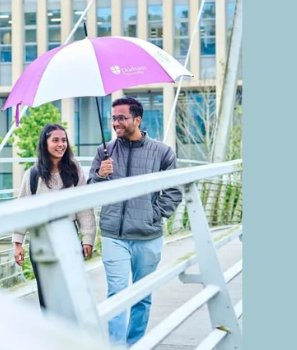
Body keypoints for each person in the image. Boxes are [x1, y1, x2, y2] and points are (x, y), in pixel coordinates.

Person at [89, 97, 183, 346]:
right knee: (117, 294)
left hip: (147, 235)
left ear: (137, 119)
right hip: (113, 235)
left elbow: (174, 190)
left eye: (122, 117)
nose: (116, 123)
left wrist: (154, 214)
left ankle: (135, 343)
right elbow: (89, 190)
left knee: (142, 296)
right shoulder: (104, 151)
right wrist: (100, 175)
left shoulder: (162, 152)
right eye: (113, 118)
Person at [12, 123, 97, 309]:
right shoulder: (33, 174)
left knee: (71, 289)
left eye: (64, 140)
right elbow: (23, 209)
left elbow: (84, 206)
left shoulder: (75, 171)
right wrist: (18, 243)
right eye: (55, 140)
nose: (61, 144)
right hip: (41, 239)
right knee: (46, 292)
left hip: (69, 237)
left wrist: (88, 238)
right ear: (45, 143)